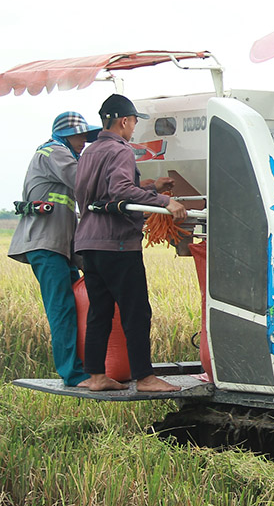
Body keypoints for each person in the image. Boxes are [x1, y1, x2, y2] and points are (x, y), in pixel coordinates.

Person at [73, 94, 187, 393]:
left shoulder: (90, 151)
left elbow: (106, 193)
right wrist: (165, 201)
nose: (134, 128)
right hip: (117, 245)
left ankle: (96, 376)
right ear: (124, 121)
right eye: (134, 121)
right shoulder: (121, 150)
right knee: (137, 311)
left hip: (88, 242)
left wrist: (150, 186)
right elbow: (121, 190)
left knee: (101, 312)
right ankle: (145, 377)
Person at [7, 112, 102, 387]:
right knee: (61, 308)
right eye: (80, 136)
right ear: (65, 135)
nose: (84, 142)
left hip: (58, 248)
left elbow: (72, 212)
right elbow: (84, 182)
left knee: (72, 306)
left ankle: (84, 367)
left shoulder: (62, 155)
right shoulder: (54, 152)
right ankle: (73, 373)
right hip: (46, 247)